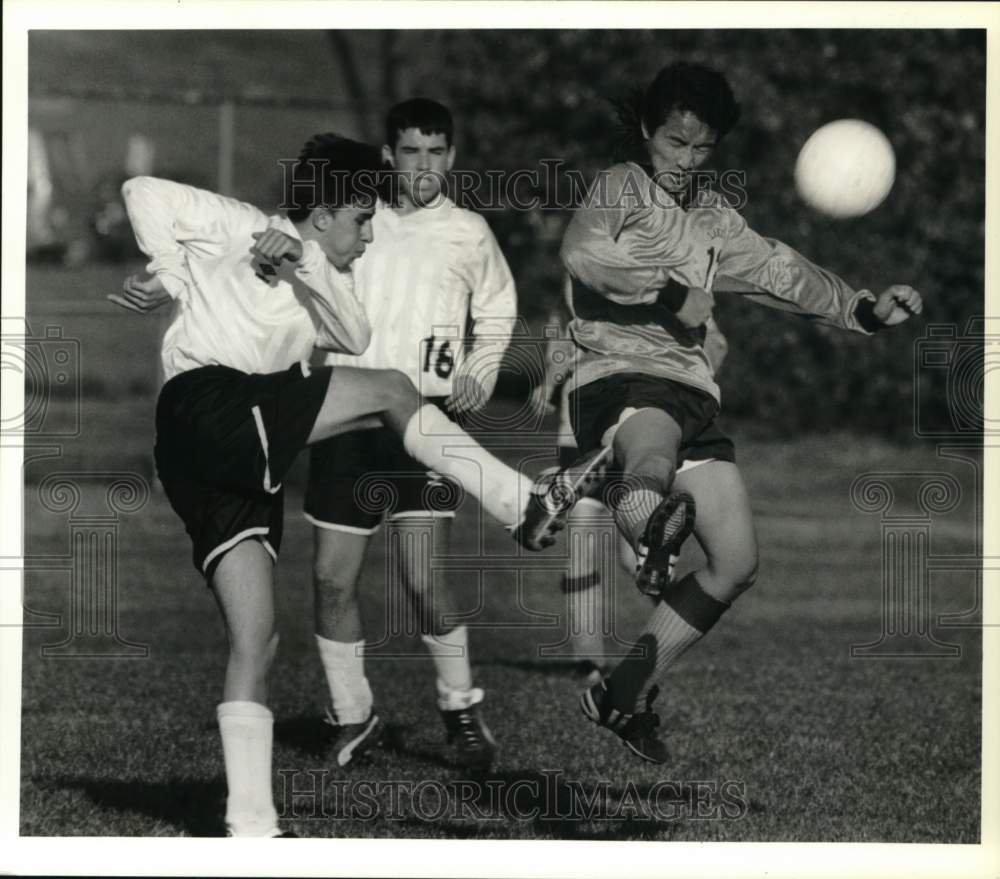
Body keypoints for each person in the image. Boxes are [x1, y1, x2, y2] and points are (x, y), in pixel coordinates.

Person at [113, 133, 601, 836]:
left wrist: (304, 264)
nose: (370, 236)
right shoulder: (236, 221)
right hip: (208, 403)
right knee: (396, 389)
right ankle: (522, 503)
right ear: (324, 211)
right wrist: (176, 266)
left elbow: (351, 330)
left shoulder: (331, 283)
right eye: (362, 218)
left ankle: (252, 826)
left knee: (257, 637)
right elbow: (142, 194)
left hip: (216, 456)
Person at [559, 62, 923, 763]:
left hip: (692, 388)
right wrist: (667, 293)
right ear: (646, 131)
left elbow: (779, 270)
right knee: (653, 453)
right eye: (674, 143)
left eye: (700, 149)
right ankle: (647, 523)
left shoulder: (714, 216)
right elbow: (584, 254)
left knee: (736, 562)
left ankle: (620, 689)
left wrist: (862, 309)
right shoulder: (619, 186)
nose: (685, 160)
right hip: (616, 372)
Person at [304, 99, 517, 770]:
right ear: (390, 155)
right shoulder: (357, 221)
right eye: (410, 151)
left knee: (422, 579)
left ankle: (460, 707)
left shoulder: (469, 232)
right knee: (332, 577)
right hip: (349, 411)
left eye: (435, 151)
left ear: (450, 158)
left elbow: (498, 309)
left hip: (427, 418)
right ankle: (352, 714)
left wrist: (481, 369)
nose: (422, 164)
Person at [531, 285, 730, 686]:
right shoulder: (578, 278)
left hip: (625, 419)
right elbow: (560, 340)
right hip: (586, 425)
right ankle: (588, 659)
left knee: (631, 555)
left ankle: (676, 629)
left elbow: (716, 344)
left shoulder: (656, 281)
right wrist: (550, 380)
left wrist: (680, 392)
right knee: (586, 548)